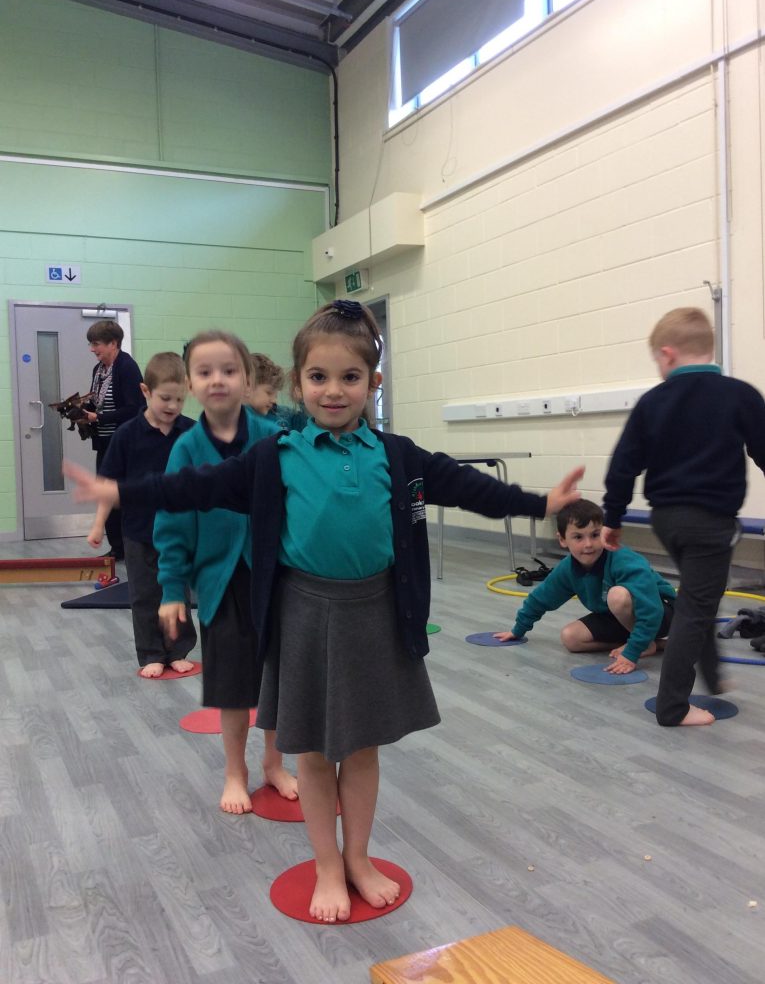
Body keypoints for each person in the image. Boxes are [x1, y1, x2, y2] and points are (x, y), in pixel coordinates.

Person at [64, 299, 583, 923]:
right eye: (318, 377)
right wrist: (123, 489)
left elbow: (467, 486)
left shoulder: (398, 456)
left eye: (350, 377)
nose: (333, 391)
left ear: (374, 382)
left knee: (361, 749)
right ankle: (327, 865)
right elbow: (195, 486)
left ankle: (357, 857)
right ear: (298, 381)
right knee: (312, 752)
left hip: (375, 615)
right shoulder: (275, 456)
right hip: (304, 616)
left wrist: (537, 503)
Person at [152, 330, 297, 813]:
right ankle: (236, 771)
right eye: (205, 372)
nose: (218, 380)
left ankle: (274, 762)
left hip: (275, 578)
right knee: (233, 685)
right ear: (191, 385)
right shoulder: (186, 449)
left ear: (247, 380)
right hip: (222, 583)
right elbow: (172, 522)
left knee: (277, 678)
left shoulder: (275, 439)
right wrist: (172, 588)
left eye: (229, 370)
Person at [601, 306, 765, 725]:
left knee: (697, 596)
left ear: (668, 354)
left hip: (666, 521)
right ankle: (673, 706)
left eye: (656, 360)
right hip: (711, 522)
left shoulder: (652, 402)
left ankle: (713, 675)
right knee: (697, 606)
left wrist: (613, 518)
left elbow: (622, 467)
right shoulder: (741, 395)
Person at [86, 352, 197, 678]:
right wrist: (97, 525)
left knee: (177, 592)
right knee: (145, 594)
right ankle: (151, 652)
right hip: (138, 530)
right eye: (165, 398)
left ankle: (178, 650)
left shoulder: (190, 433)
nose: (172, 406)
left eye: (179, 399)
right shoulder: (127, 434)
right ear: (146, 391)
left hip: (177, 532)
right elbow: (108, 484)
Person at [494, 499, 675, 673]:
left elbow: (651, 610)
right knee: (570, 638)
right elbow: (540, 599)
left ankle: (642, 644)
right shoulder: (567, 568)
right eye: (578, 537)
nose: (588, 544)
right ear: (562, 539)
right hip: (618, 617)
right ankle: (649, 643)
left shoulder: (623, 559)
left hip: (662, 612)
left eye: (595, 535)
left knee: (617, 596)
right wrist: (518, 630)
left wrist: (632, 654)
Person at [85, 319, 143, 560]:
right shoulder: (98, 370)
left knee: (122, 496)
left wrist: (98, 417)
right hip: (104, 442)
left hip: (124, 445)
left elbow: (135, 409)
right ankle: (117, 548)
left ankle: (129, 547)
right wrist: (80, 411)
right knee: (105, 494)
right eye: (91, 344)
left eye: (96, 344)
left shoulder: (127, 368)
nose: (92, 349)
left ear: (113, 343)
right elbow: (96, 402)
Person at [249, 352, 307, 431]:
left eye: (275, 395)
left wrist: (302, 401)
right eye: (269, 393)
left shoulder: (285, 416)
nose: (274, 400)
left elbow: (308, 428)